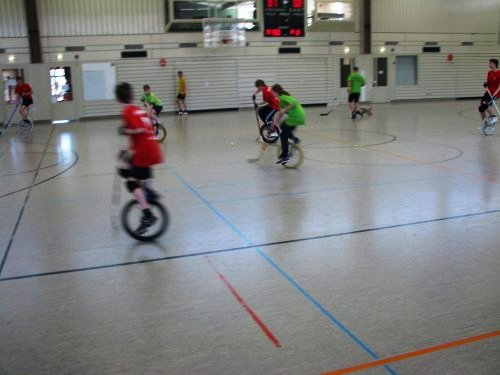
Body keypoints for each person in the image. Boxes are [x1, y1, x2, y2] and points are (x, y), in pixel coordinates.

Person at [115, 82, 164, 234]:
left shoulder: (127, 111)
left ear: (117, 99)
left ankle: (148, 215)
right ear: (132, 96)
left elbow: (139, 129)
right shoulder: (138, 110)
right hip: (152, 150)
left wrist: (125, 130)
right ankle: (149, 190)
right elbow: (146, 128)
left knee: (129, 180)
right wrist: (126, 151)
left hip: (143, 153)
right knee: (127, 167)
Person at [271, 84, 305, 165]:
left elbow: (295, 102)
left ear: (276, 92)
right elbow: (280, 114)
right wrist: (274, 124)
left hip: (295, 117)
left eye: (272, 92)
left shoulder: (282, 97)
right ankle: (295, 139)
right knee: (282, 125)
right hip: (299, 116)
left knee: (283, 135)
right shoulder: (282, 99)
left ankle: (285, 156)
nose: (272, 94)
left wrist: (285, 110)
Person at [478, 58, 500, 127]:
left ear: (495, 64)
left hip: (496, 93)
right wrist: (486, 84)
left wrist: (494, 95)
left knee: (485, 104)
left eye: (491, 63)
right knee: (481, 107)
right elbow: (488, 83)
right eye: (489, 63)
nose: (489, 65)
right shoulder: (489, 72)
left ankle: (494, 117)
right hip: (488, 92)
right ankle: (485, 123)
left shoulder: (499, 73)